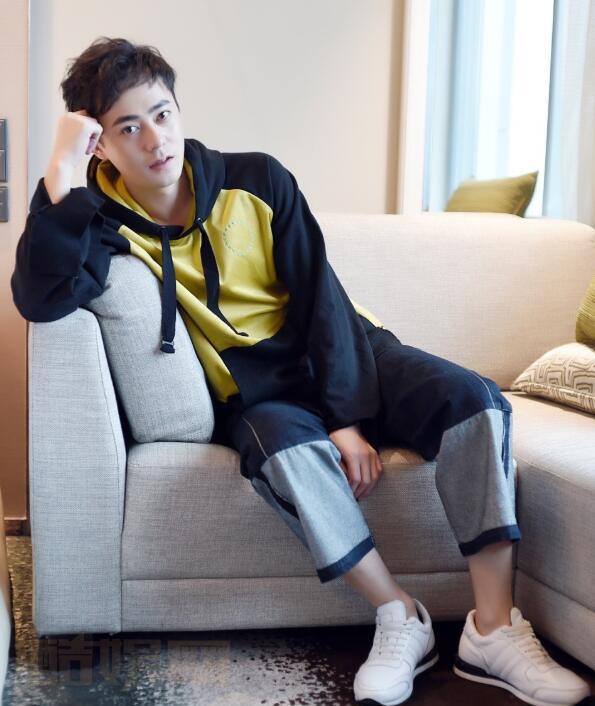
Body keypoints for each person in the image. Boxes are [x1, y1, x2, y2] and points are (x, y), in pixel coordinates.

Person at [11, 37, 590, 706]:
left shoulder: (258, 178)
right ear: (100, 145)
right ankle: (399, 614)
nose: (154, 140)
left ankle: (491, 631)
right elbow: (41, 297)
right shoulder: (103, 222)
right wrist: (61, 174)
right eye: (127, 128)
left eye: (162, 114)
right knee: (285, 453)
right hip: (256, 394)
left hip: (351, 351)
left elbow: (321, 299)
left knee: (475, 400)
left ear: (178, 109)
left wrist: (345, 417)